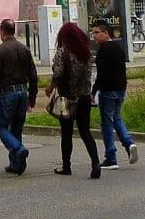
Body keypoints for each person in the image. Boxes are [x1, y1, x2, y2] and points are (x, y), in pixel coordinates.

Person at [0, 18, 38, 176]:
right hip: (23, 91)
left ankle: (18, 149)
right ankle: (15, 163)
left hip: (8, 92)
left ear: (2, 32)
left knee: (1, 127)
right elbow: (34, 75)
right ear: (14, 31)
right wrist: (32, 96)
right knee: (17, 127)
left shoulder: (0, 50)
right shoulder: (24, 49)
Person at [47, 22, 100, 179]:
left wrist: (51, 87)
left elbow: (58, 73)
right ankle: (96, 164)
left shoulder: (62, 52)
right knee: (85, 132)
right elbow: (89, 76)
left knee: (66, 133)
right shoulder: (86, 53)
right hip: (83, 97)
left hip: (66, 97)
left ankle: (66, 165)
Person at [90, 20, 136, 169]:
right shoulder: (118, 47)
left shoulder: (103, 50)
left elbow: (101, 74)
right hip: (120, 89)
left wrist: (94, 91)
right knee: (116, 117)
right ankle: (129, 144)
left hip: (108, 91)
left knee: (106, 124)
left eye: (97, 33)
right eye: (93, 33)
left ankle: (111, 157)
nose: (94, 36)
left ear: (105, 33)